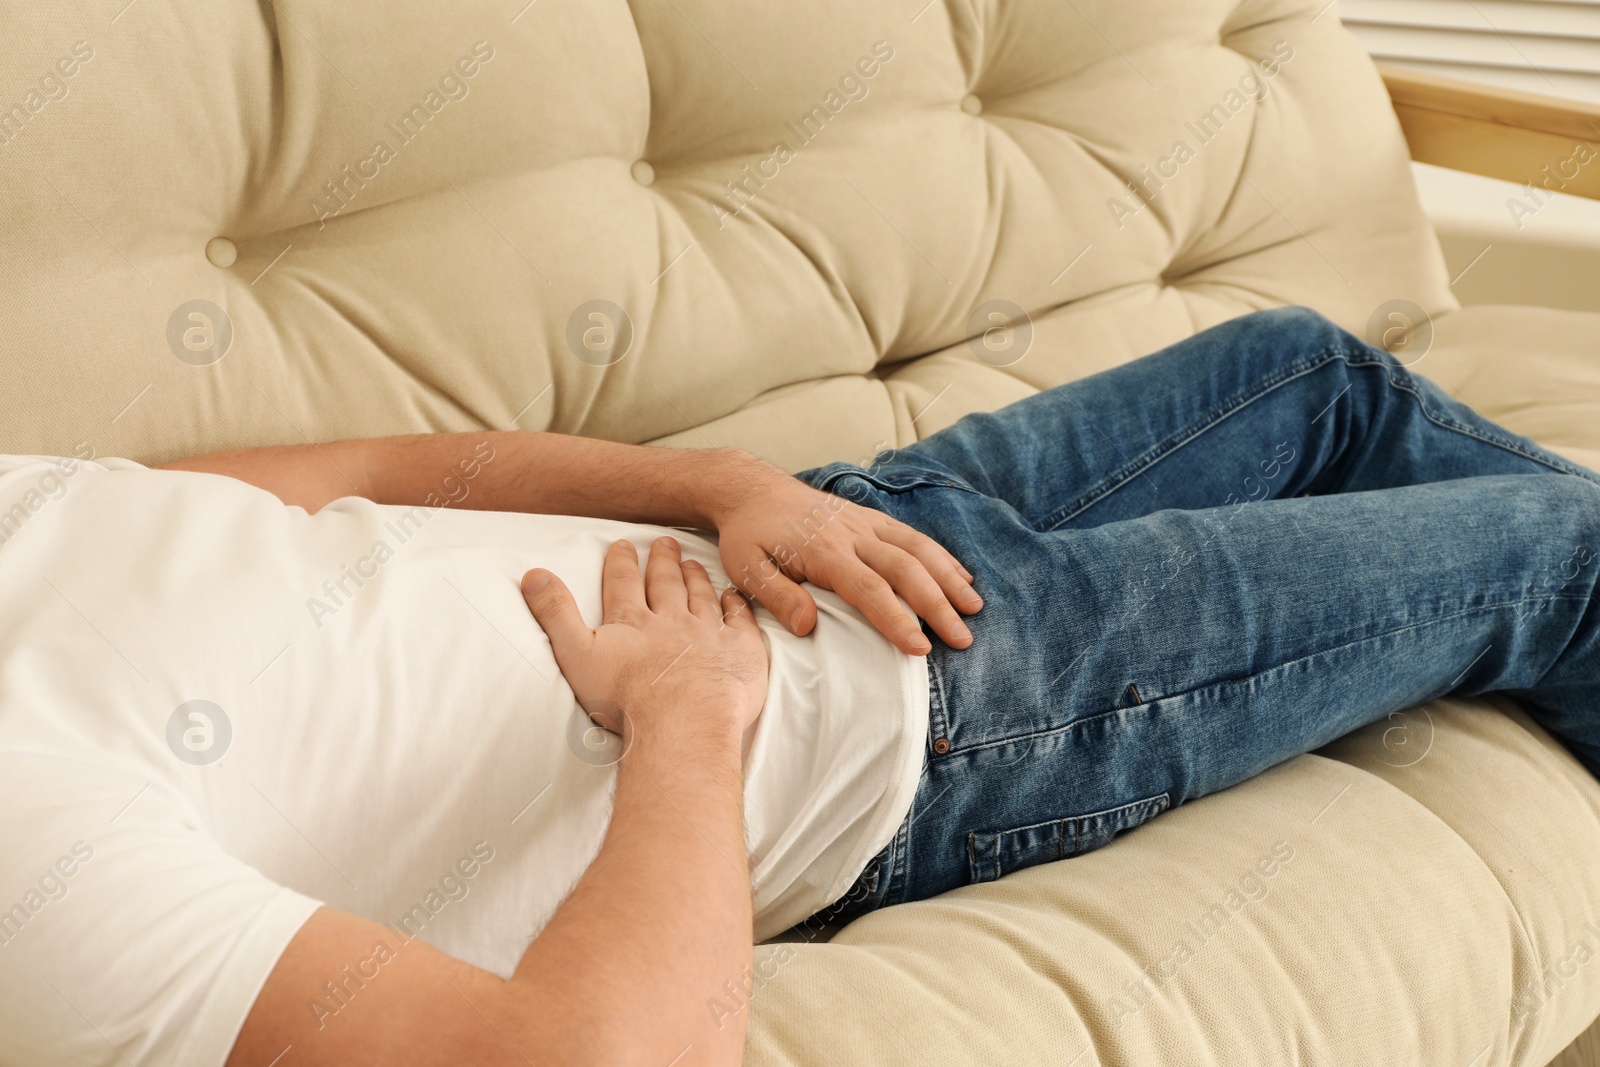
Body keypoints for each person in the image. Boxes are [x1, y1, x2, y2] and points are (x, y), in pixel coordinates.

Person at [0, 307, 1595, 1067]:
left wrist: (721, 480)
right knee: (1569, 554)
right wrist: (691, 722)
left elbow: (363, 464)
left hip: (828, 518)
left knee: (1311, 374)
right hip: (931, 710)